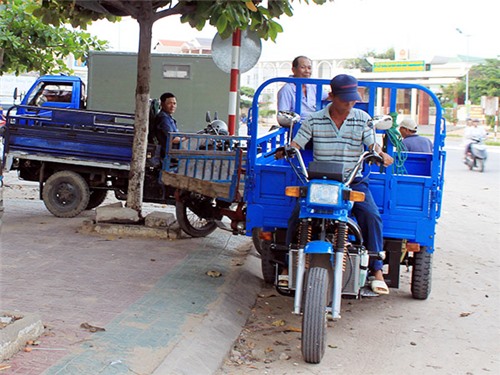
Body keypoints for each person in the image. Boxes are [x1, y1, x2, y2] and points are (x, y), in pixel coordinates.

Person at [285, 74, 394, 295]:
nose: (349, 102)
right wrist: (288, 148)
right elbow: (297, 142)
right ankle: (287, 266)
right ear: (331, 96)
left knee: (371, 216)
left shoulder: (362, 118)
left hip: (353, 181)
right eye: (344, 98)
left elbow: (372, 144)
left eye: (352, 98)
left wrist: (381, 154)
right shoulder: (314, 119)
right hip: (319, 182)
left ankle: (377, 270)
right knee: (296, 215)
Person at [277, 56, 328, 121]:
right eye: (303, 67)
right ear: (293, 70)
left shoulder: (314, 86)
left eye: (309, 68)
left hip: (317, 125)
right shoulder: (286, 90)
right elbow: (283, 117)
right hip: (299, 127)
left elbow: (327, 98)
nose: (307, 71)